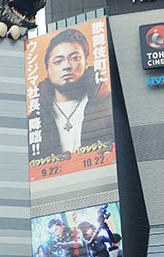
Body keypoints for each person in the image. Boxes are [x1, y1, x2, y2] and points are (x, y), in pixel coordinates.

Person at [34, 28, 113, 159]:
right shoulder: (36, 117)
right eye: (58, 61)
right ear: (47, 68)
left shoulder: (107, 104)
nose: (67, 66)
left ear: (86, 62)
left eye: (75, 58)